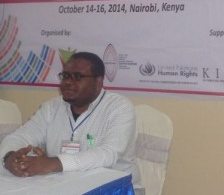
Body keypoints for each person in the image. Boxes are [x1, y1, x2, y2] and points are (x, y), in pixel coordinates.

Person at [0, 52, 141, 186]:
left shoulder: (119, 108)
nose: (68, 82)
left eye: (77, 77)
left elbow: (108, 153)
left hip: (113, 188)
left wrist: (53, 163)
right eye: (66, 76)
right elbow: (20, 136)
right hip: (63, 187)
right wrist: (10, 157)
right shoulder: (51, 108)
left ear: (98, 82)